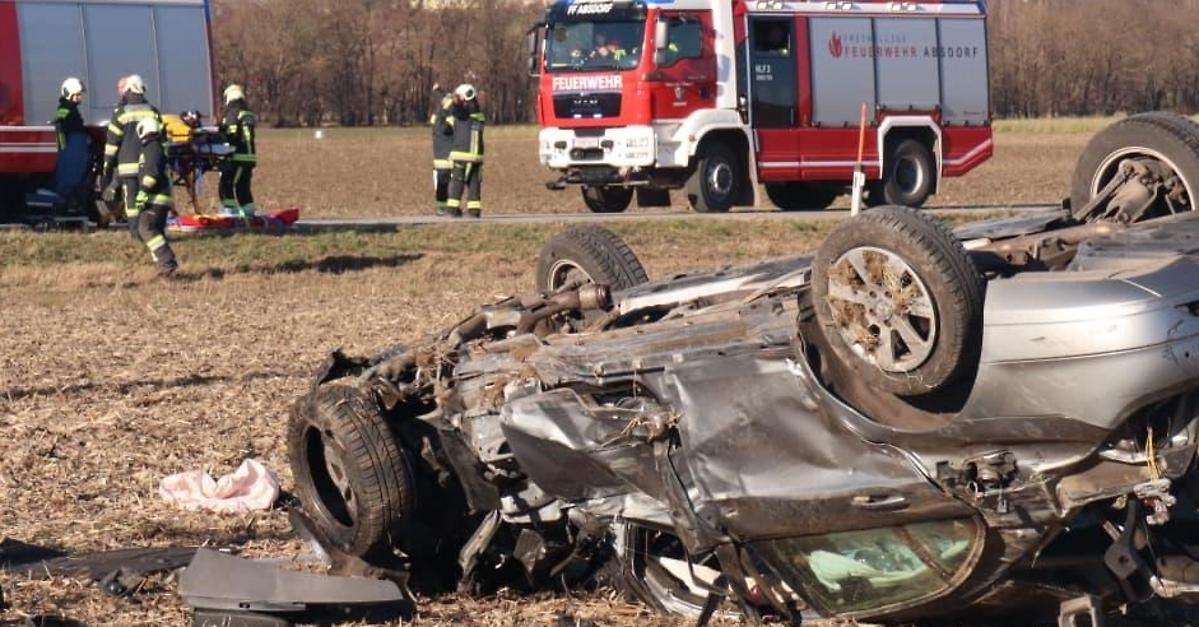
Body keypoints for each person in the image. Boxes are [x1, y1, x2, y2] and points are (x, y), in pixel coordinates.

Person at [102, 74, 162, 234]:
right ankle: (150, 231)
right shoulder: (153, 111)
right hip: (148, 165)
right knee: (147, 199)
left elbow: (112, 143)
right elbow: (161, 140)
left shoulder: (121, 113)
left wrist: (107, 165)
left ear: (128, 90)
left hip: (127, 168)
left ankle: (136, 233)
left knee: (131, 203)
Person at [132, 117, 178, 277]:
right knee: (156, 231)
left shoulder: (152, 148)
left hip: (156, 197)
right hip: (159, 197)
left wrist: (143, 191)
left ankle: (167, 260)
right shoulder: (155, 147)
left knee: (145, 228)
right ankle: (162, 266)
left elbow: (152, 173)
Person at [445, 84, 485, 219]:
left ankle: (452, 209)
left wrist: (449, 102)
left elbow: (446, 129)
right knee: (474, 183)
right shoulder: (478, 113)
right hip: (477, 156)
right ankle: (474, 211)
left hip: (462, 154)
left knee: (457, 181)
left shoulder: (461, 113)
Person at [219, 84, 257, 218]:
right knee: (243, 186)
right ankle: (249, 212)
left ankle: (230, 213)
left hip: (237, 157)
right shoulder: (247, 112)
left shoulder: (233, 112)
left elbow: (231, 134)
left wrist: (220, 131)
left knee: (226, 184)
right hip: (249, 156)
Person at [53, 78, 92, 208]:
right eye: (78, 94)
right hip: (72, 150)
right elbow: (68, 126)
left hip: (69, 149)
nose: (80, 97)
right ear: (69, 93)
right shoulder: (67, 109)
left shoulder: (67, 108)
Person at [429, 83, 455, 215]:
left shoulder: (436, 119)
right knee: (451, 185)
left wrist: (442, 93)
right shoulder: (447, 123)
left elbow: (443, 109)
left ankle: (441, 208)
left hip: (438, 159)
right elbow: (453, 123)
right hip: (448, 159)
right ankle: (450, 208)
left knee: (441, 185)